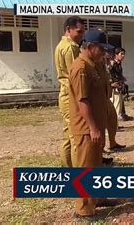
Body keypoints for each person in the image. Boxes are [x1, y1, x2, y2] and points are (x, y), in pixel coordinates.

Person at [69, 29, 114, 218]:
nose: (104, 52)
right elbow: (82, 101)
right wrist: (93, 127)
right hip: (87, 129)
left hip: (96, 127)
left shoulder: (93, 65)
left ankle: (98, 198)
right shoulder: (81, 68)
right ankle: (84, 210)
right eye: (101, 49)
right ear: (91, 47)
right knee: (86, 168)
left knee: (96, 165)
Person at [54, 16, 84, 167]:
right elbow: (76, 76)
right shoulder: (70, 47)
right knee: (74, 137)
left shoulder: (61, 45)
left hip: (65, 94)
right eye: (79, 32)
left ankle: (66, 168)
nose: (81, 35)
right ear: (68, 30)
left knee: (68, 135)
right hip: (71, 95)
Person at [101, 51, 126, 151]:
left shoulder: (107, 67)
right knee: (104, 121)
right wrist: (112, 85)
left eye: (108, 59)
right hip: (103, 96)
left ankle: (112, 143)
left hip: (108, 93)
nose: (108, 61)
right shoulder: (104, 67)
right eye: (106, 59)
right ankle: (100, 149)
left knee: (113, 116)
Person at [109, 47, 132, 121]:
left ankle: (119, 118)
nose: (123, 56)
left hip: (119, 86)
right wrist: (112, 84)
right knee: (115, 106)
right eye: (121, 54)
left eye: (124, 54)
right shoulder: (112, 64)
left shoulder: (119, 64)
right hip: (114, 87)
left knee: (119, 104)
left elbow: (118, 74)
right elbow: (109, 74)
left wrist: (122, 78)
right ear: (116, 55)